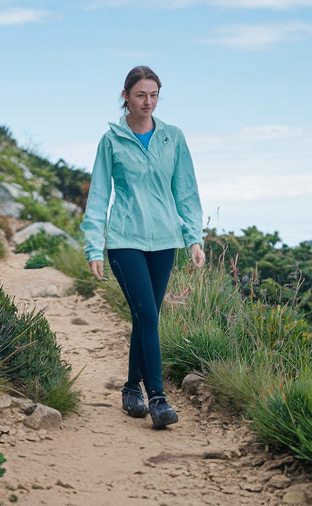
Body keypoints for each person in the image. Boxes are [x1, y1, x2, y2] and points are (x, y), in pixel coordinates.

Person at [81, 65, 206, 430]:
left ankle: (130, 388)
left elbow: (186, 191)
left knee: (144, 317)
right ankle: (158, 398)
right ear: (126, 97)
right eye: (140, 95)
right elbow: (100, 194)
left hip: (165, 241)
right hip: (124, 241)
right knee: (149, 316)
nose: (147, 101)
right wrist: (94, 247)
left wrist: (193, 237)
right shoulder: (112, 141)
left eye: (153, 95)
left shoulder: (173, 137)